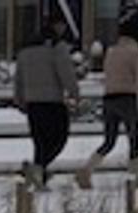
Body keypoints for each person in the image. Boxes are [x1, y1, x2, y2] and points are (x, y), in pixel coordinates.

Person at [77, 14, 138, 188]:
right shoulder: (135, 52)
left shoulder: (111, 51)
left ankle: (87, 169)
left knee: (109, 141)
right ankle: (133, 176)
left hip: (109, 98)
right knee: (134, 138)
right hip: (128, 97)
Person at [15, 15, 80, 189]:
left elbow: (19, 77)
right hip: (52, 101)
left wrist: (19, 98)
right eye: (62, 25)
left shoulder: (26, 49)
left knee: (40, 142)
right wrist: (74, 92)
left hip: (32, 102)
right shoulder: (57, 47)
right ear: (57, 26)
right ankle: (38, 169)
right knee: (59, 138)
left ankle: (38, 175)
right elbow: (66, 72)